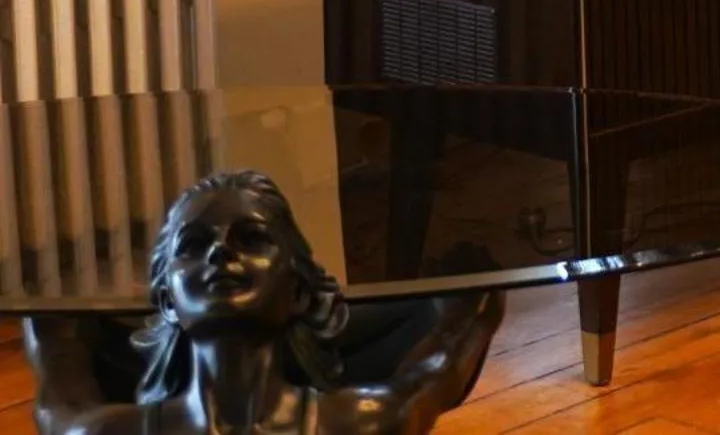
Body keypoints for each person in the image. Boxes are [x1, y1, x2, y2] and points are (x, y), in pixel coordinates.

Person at [25, 171, 501, 435]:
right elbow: (59, 381)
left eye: (251, 237)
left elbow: (438, 367)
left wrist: (468, 306)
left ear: (297, 289)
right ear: (167, 301)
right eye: (193, 245)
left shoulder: (356, 423)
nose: (219, 252)